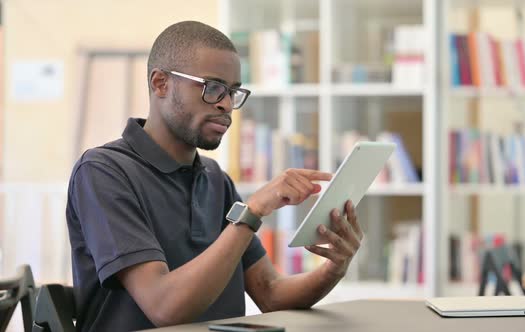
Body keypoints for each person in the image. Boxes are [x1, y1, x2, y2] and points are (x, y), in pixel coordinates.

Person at [66, 21, 363, 331]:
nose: (225, 104)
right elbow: (165, 308)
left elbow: (271, 294)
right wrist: (252, 212)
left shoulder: (216, 179)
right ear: (160, 84)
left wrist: (334, 268)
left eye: (233, 92)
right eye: (213, 87)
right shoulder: (103, 172)